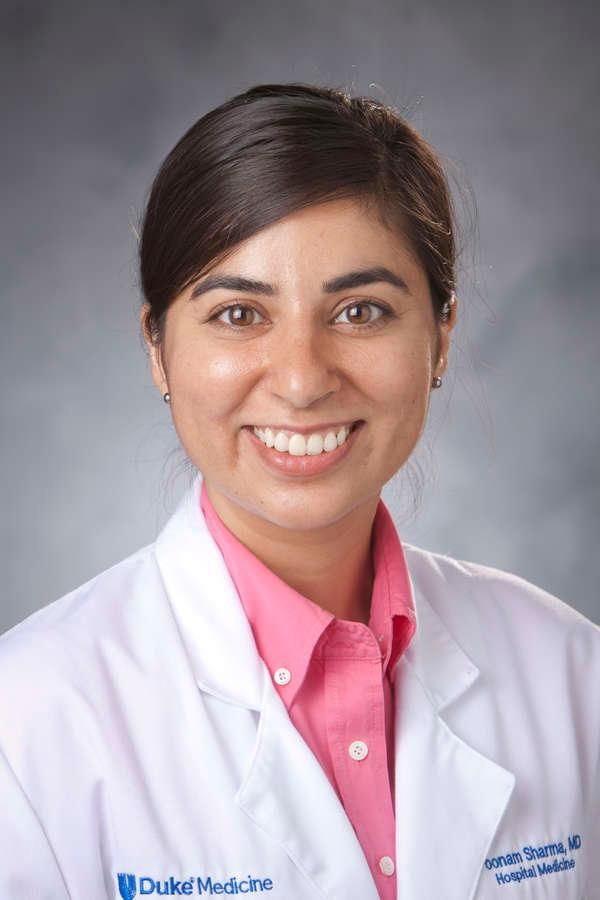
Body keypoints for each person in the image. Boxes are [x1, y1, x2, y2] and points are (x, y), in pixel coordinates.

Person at [0, 83, 598, 900]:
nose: (302, 379)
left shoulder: (572, 675)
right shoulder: (27, 722)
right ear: (157, 349)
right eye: (239, 315)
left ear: (441, 337)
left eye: (360, 311)